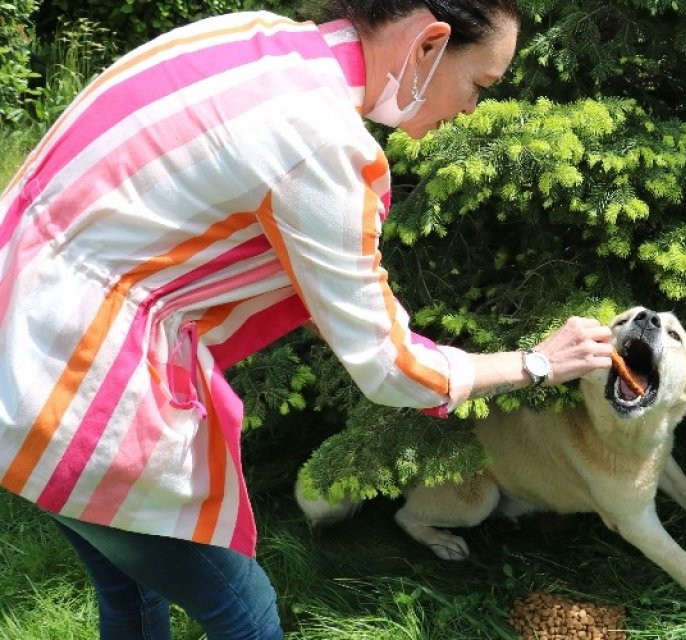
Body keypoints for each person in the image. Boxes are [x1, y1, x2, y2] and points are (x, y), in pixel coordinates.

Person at [0, 1, 615, 638]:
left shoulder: (250, 36)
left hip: (14, 334)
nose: (470, 109)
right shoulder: (322, 143)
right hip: (70, 392)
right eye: (479, 85)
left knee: (130, 586)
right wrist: (538, 362)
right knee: (245, 611)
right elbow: (390, 370)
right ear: (429, 45)